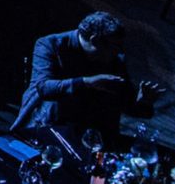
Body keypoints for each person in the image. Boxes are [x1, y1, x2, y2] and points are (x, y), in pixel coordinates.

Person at [13, 11, 163, 134]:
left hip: (88, 129)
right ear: (95, 40)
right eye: (115, 46)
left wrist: (144, 102)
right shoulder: (51, 45)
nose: (119, 51)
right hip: (49, 122)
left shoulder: (115, 61)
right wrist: (86, 82)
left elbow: (124, 104)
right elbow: (44, 88)